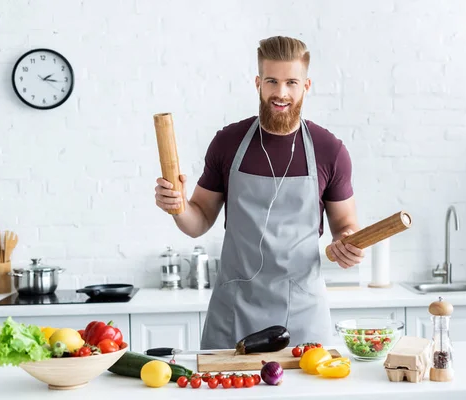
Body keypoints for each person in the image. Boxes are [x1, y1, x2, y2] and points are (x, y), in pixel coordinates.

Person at [154, 36, 365, 350]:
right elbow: (197, 221)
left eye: (291, 82)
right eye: (272, 81)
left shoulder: (329, 151)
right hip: (236, 311)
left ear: (306, 86)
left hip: (303, 314)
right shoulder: (228, 143)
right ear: (258, 83)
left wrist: (348, 242)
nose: (281, 93)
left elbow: (345, 224)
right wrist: (178, 206)